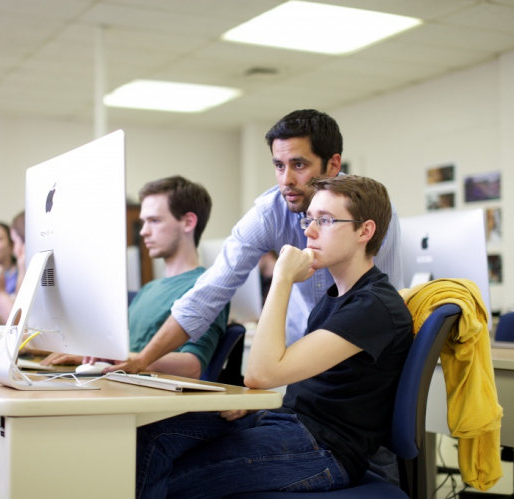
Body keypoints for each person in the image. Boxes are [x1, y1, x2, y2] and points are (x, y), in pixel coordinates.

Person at [135, 175, 413, 498]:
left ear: (365, 231)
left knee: (167, 480)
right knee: (152, 434)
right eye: (309, 219)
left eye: (325, 220)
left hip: (323, 451)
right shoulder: (337, 297)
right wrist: (253, 406)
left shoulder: (373, 305)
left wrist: (282, 278)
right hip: (287, 424)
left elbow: (260, 374)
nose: (308, 231)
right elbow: (288, 380)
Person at [111, 109, 402, 375]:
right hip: (299, 345)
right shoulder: (269, 213)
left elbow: (386, 297)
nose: (286, 179)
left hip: (361, 351)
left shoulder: (371, 214)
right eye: (279, 165)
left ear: (333, 164)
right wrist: (142, 360)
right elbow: (206, 295)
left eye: (299, 164)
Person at [43, 176, 228, 379]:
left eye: (154, 221)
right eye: (143, 222)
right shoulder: (148, 289)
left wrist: (112, 357)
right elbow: (124, 352)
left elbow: (192, 366)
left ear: (188, 222)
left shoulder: (206, 289)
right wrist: (92, 355)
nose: (144, 232)